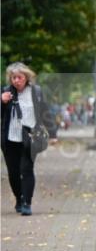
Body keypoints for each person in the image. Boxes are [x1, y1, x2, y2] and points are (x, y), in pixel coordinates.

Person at [1, 63, 56, 216]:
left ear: (26, 77)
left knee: (26, 169)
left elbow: (46, 111)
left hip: (30, 138)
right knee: (13, 173)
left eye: (19, 77)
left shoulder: (36, 92)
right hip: (10, 139)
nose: (16, 80)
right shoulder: (6, 92)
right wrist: (1, 101)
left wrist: (53, 133)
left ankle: (27, 202)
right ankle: (18, 198)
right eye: (13, 78)